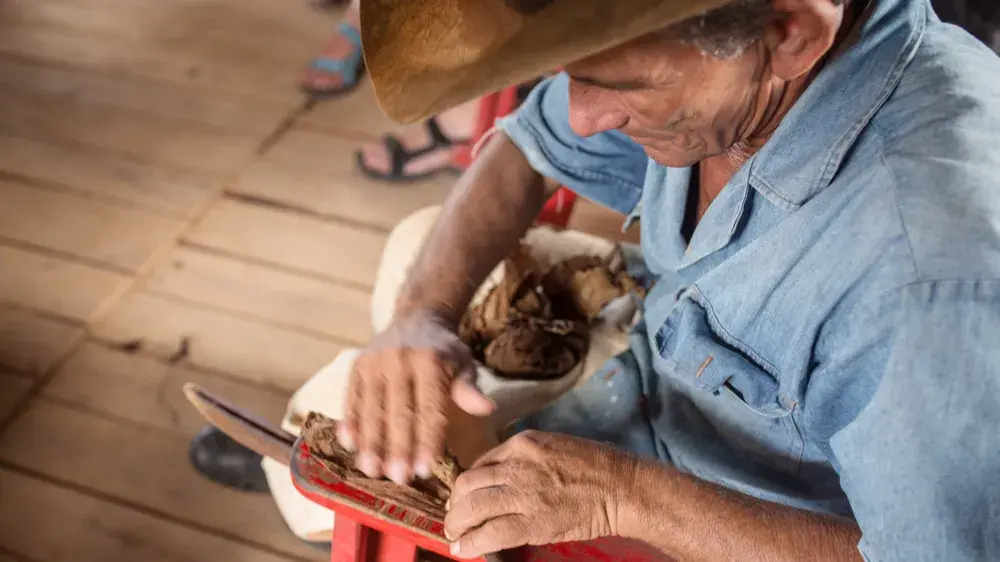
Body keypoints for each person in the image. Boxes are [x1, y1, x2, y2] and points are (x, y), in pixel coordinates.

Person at [197, 0, 1000, 559]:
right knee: (414, 262)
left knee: (333, 456)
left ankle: (317, 489)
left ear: (791, 32)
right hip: (664, 370)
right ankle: (322, 469)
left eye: (618, 87)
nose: (579, 113)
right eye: (572, 74)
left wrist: (624, 498)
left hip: (743, 519)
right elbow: (526, 146)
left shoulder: (928, 274)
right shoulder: (732, 63)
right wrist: (423, 313)